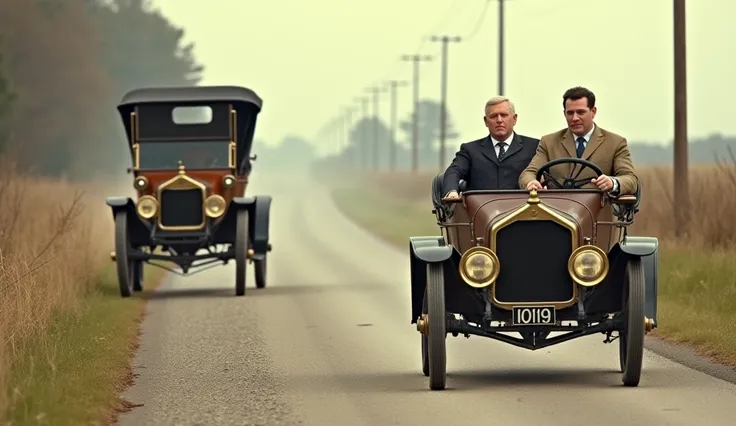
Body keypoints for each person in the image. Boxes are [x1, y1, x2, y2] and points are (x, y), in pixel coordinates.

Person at [518, 86, 638, 196]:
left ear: (593, 111)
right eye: (570, 113)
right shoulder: (549, 142)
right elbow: (528, 173)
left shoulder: (615, 142)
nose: (575, 118)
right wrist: (531, 183)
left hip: (597, 215)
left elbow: (630, 179)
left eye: (581, 112)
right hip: (556, 214)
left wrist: (612, 183)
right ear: (564, 114)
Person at [441, 96, 539, 198]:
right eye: (493, 116)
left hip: (523, 210)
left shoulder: (534, 147)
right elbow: (454, 171)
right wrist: (451, 192)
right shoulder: (470, 150)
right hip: (481, 211)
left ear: (514, 119)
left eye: (504, 115)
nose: (499, 120)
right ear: (485, 121)